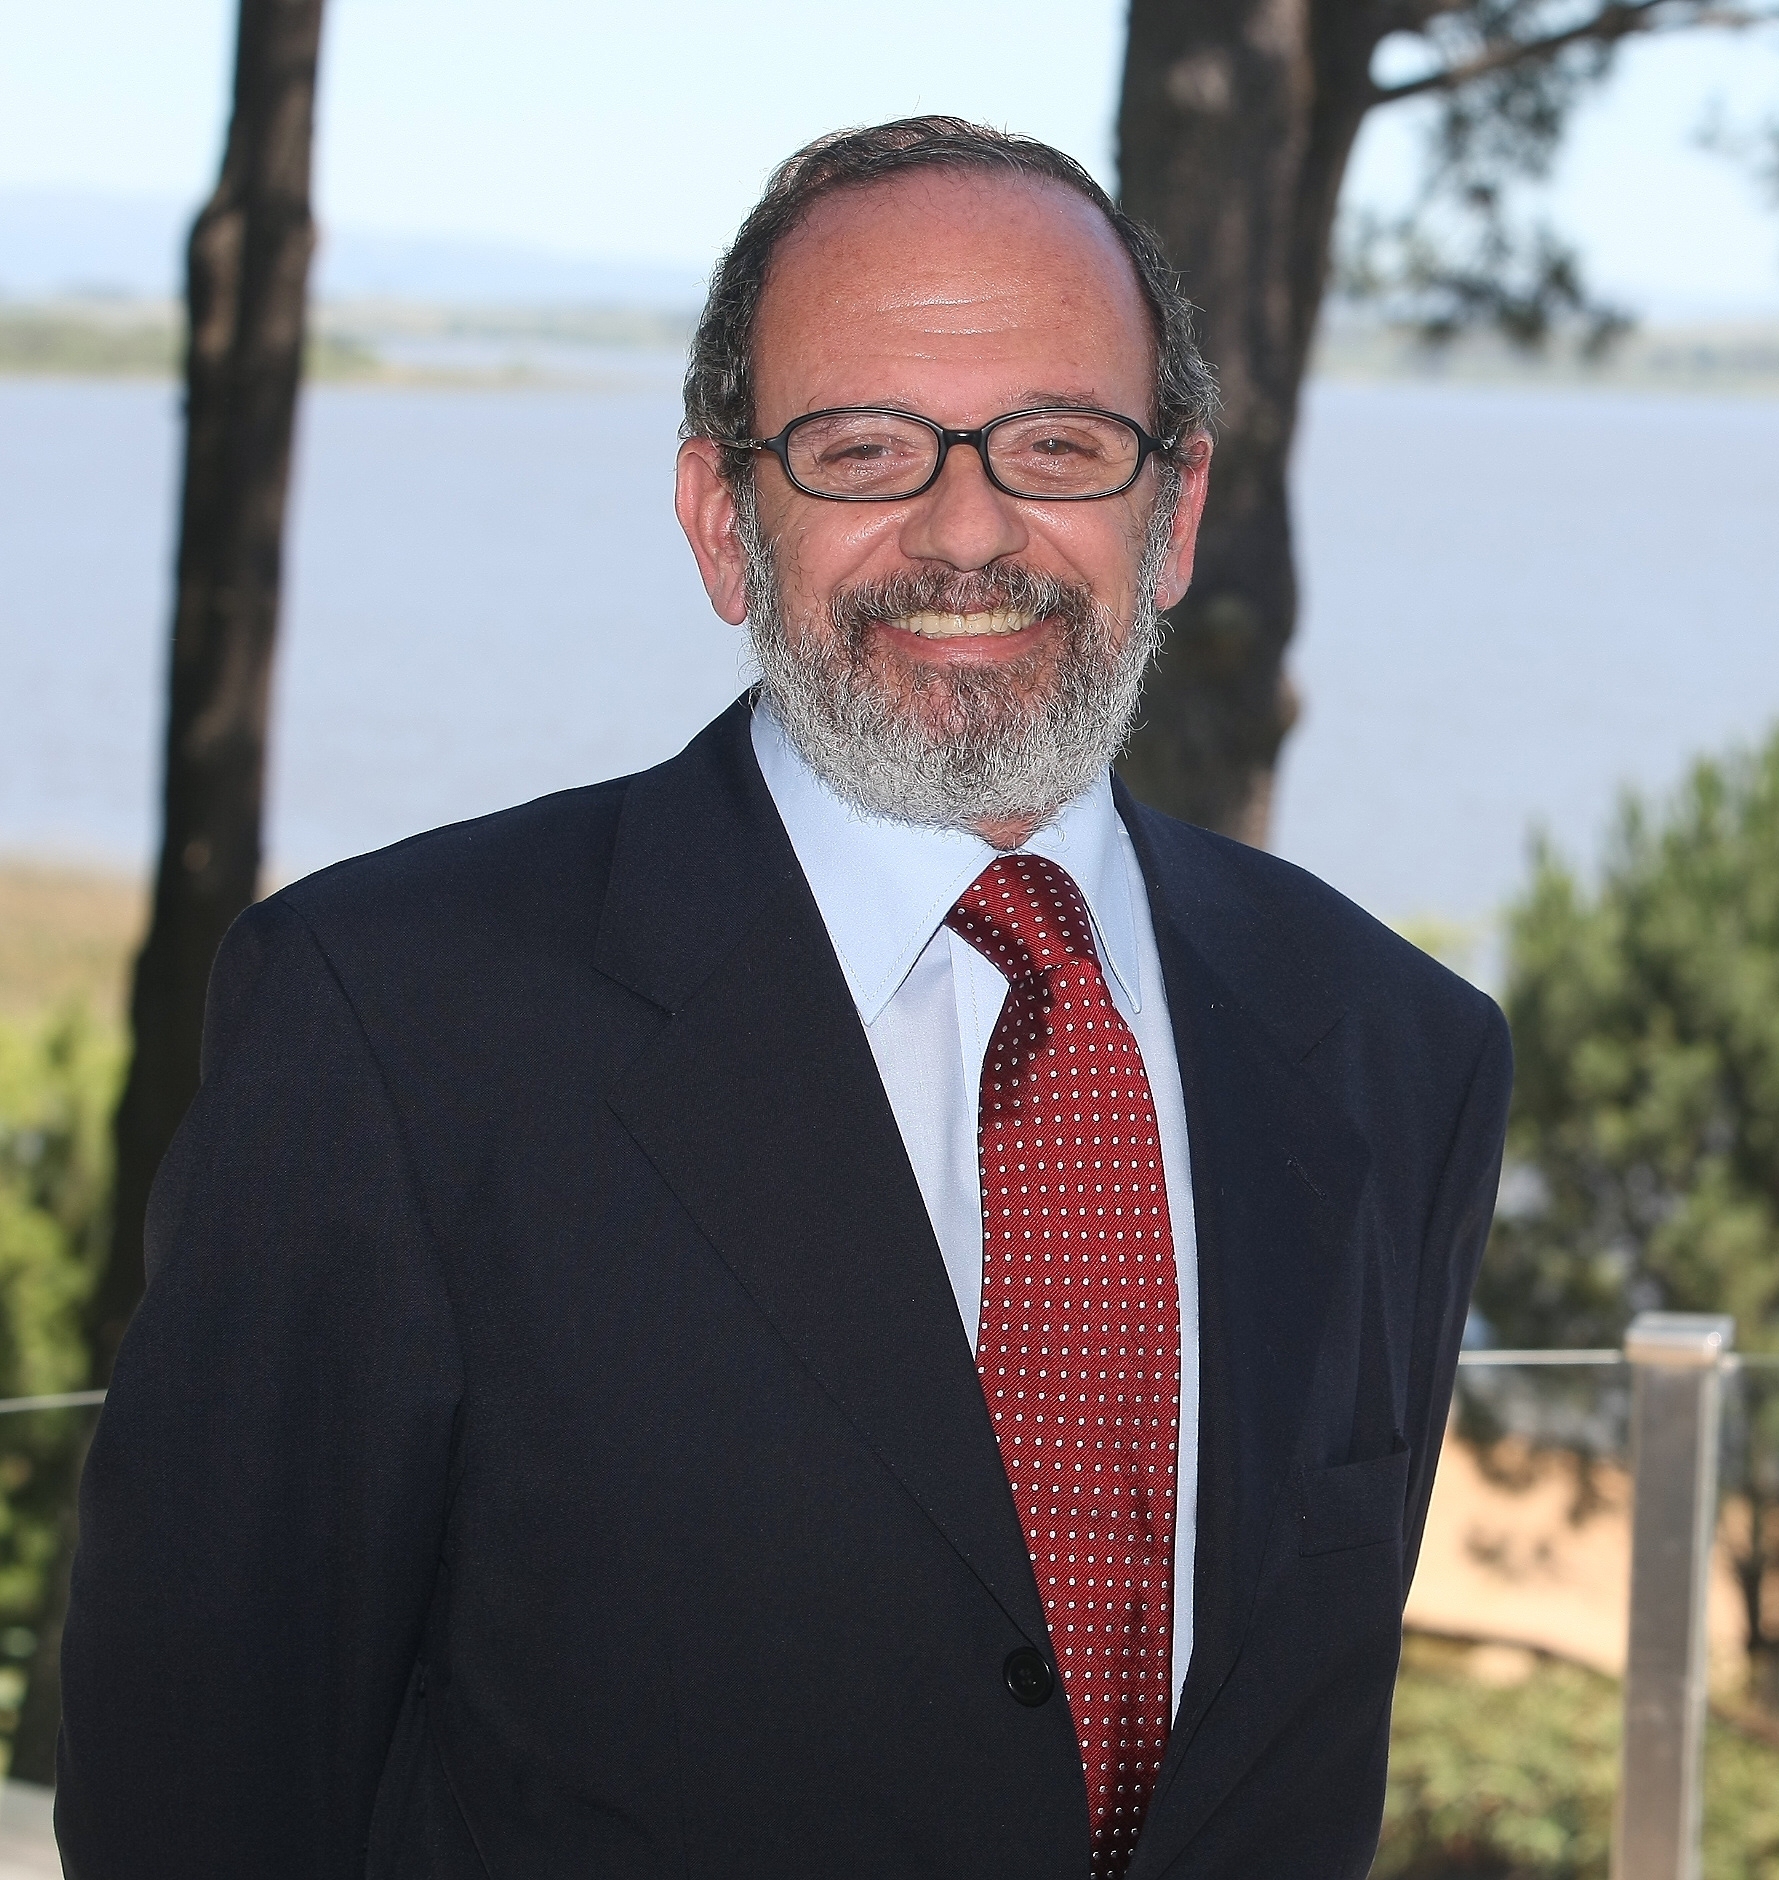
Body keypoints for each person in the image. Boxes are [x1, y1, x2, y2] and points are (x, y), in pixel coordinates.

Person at [56, 118, 1511, 1880]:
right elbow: (204, 1795)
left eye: (1059, 442)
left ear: (1176, 512)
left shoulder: (1395, 1052)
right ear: (723, 523)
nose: (968, 527)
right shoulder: (390, 1028)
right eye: (864, 448)